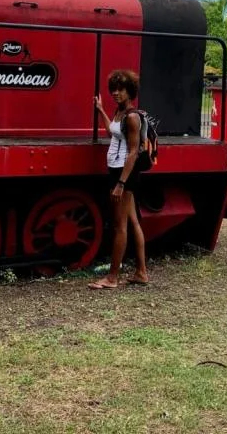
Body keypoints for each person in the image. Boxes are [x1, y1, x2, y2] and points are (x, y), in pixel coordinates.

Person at [88, 69, 149, 289]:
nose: (116, 93)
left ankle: (112, 278)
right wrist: (101, 110)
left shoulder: (132, 117)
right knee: (133, 222)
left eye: (121, 89)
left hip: (124, 173)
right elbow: (111, 132)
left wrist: (121, 183)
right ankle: (141, 272)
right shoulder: (119, 113)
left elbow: (133, 152)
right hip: (117, 170)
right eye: (113, 89)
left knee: (119, 226)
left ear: (130, 91)